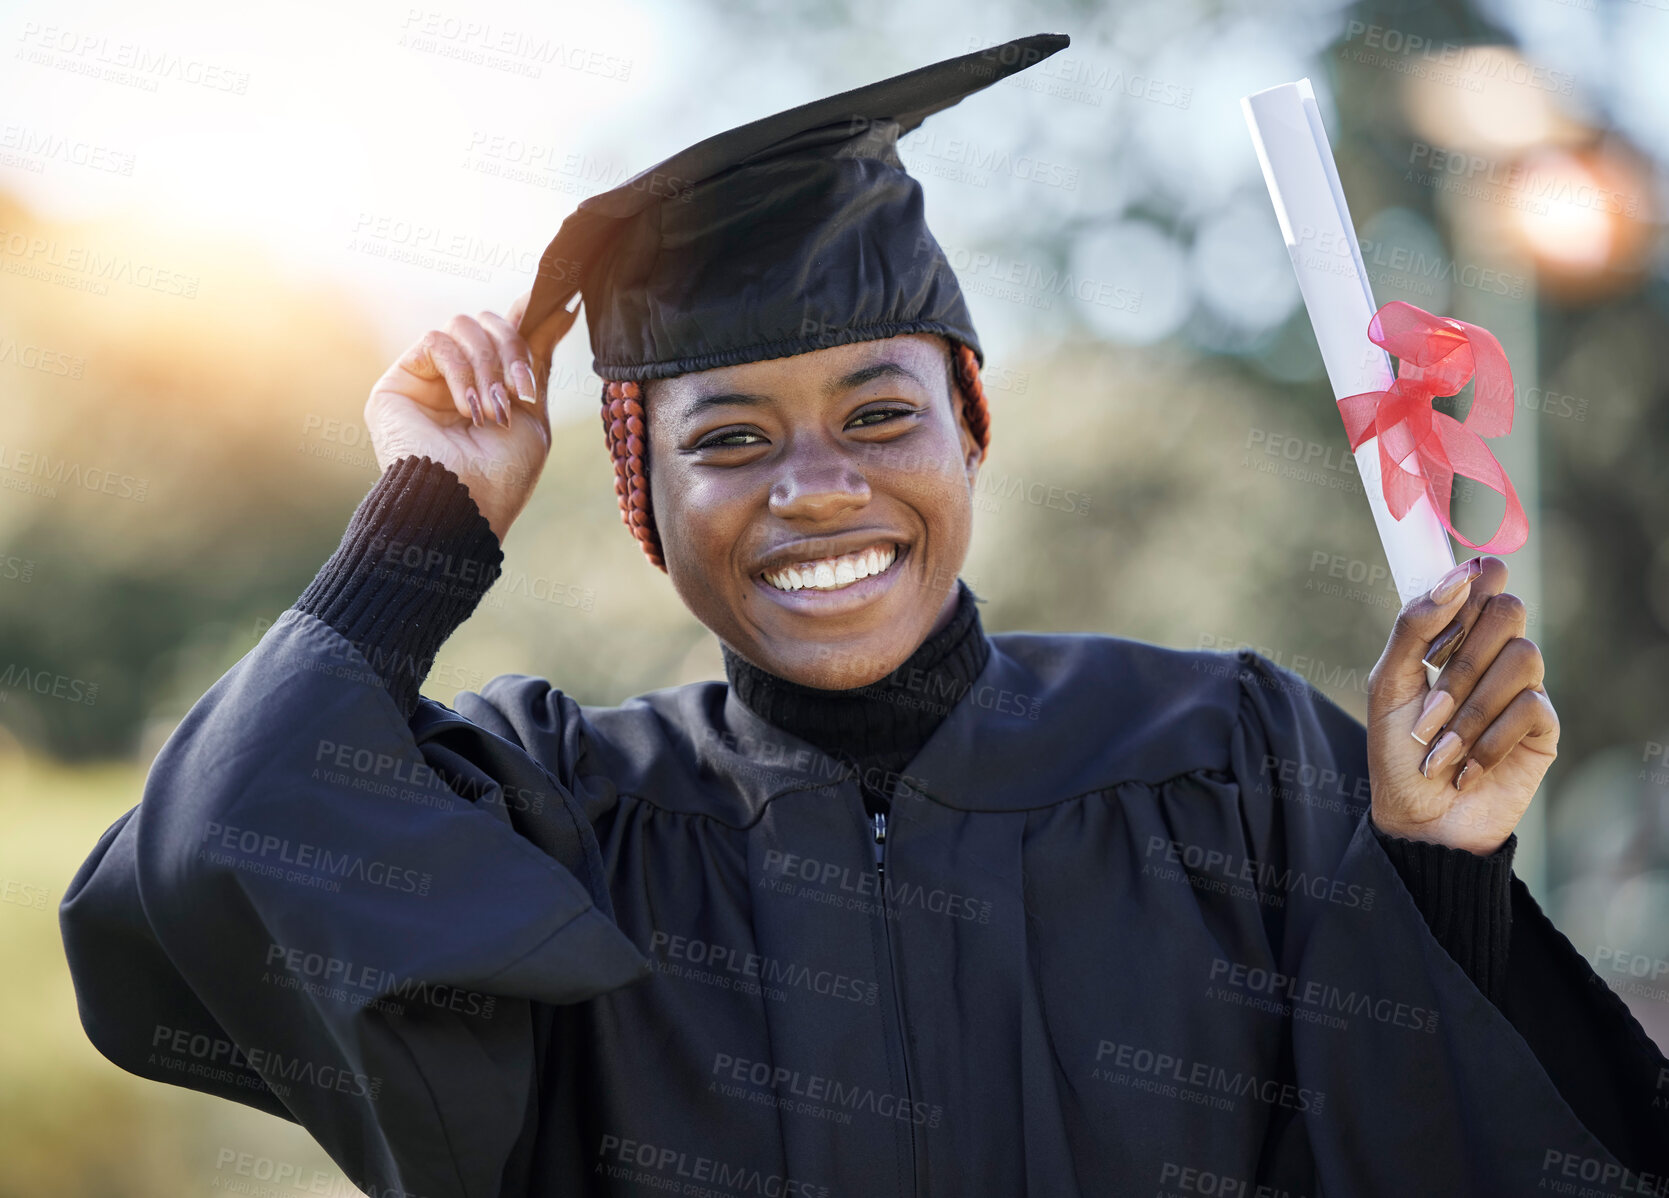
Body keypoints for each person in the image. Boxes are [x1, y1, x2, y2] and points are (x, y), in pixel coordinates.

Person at [61, 33, 1669, 1198]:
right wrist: (425, 520)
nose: (816, 485)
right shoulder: (560, 814)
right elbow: (213, 856)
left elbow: (1447, 1141)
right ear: (645, 505)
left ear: (972, 424)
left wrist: (1431, 875)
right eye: (729, 438)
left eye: (879, 412)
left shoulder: (1229, 754)